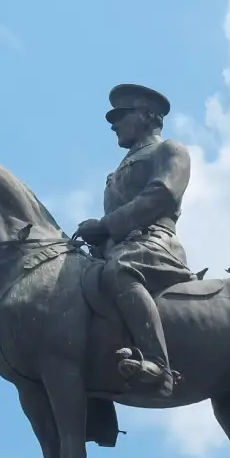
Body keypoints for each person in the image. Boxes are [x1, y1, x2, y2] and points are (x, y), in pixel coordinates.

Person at [74, 84, 193, 396]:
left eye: (122, 115)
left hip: (154, 243)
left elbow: (163, 194)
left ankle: (158, 365)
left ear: (148, 116)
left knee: (119, 271)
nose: (114, 124)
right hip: (118, 248)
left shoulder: (170, 150)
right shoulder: (118, 169)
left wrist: (104, 225)